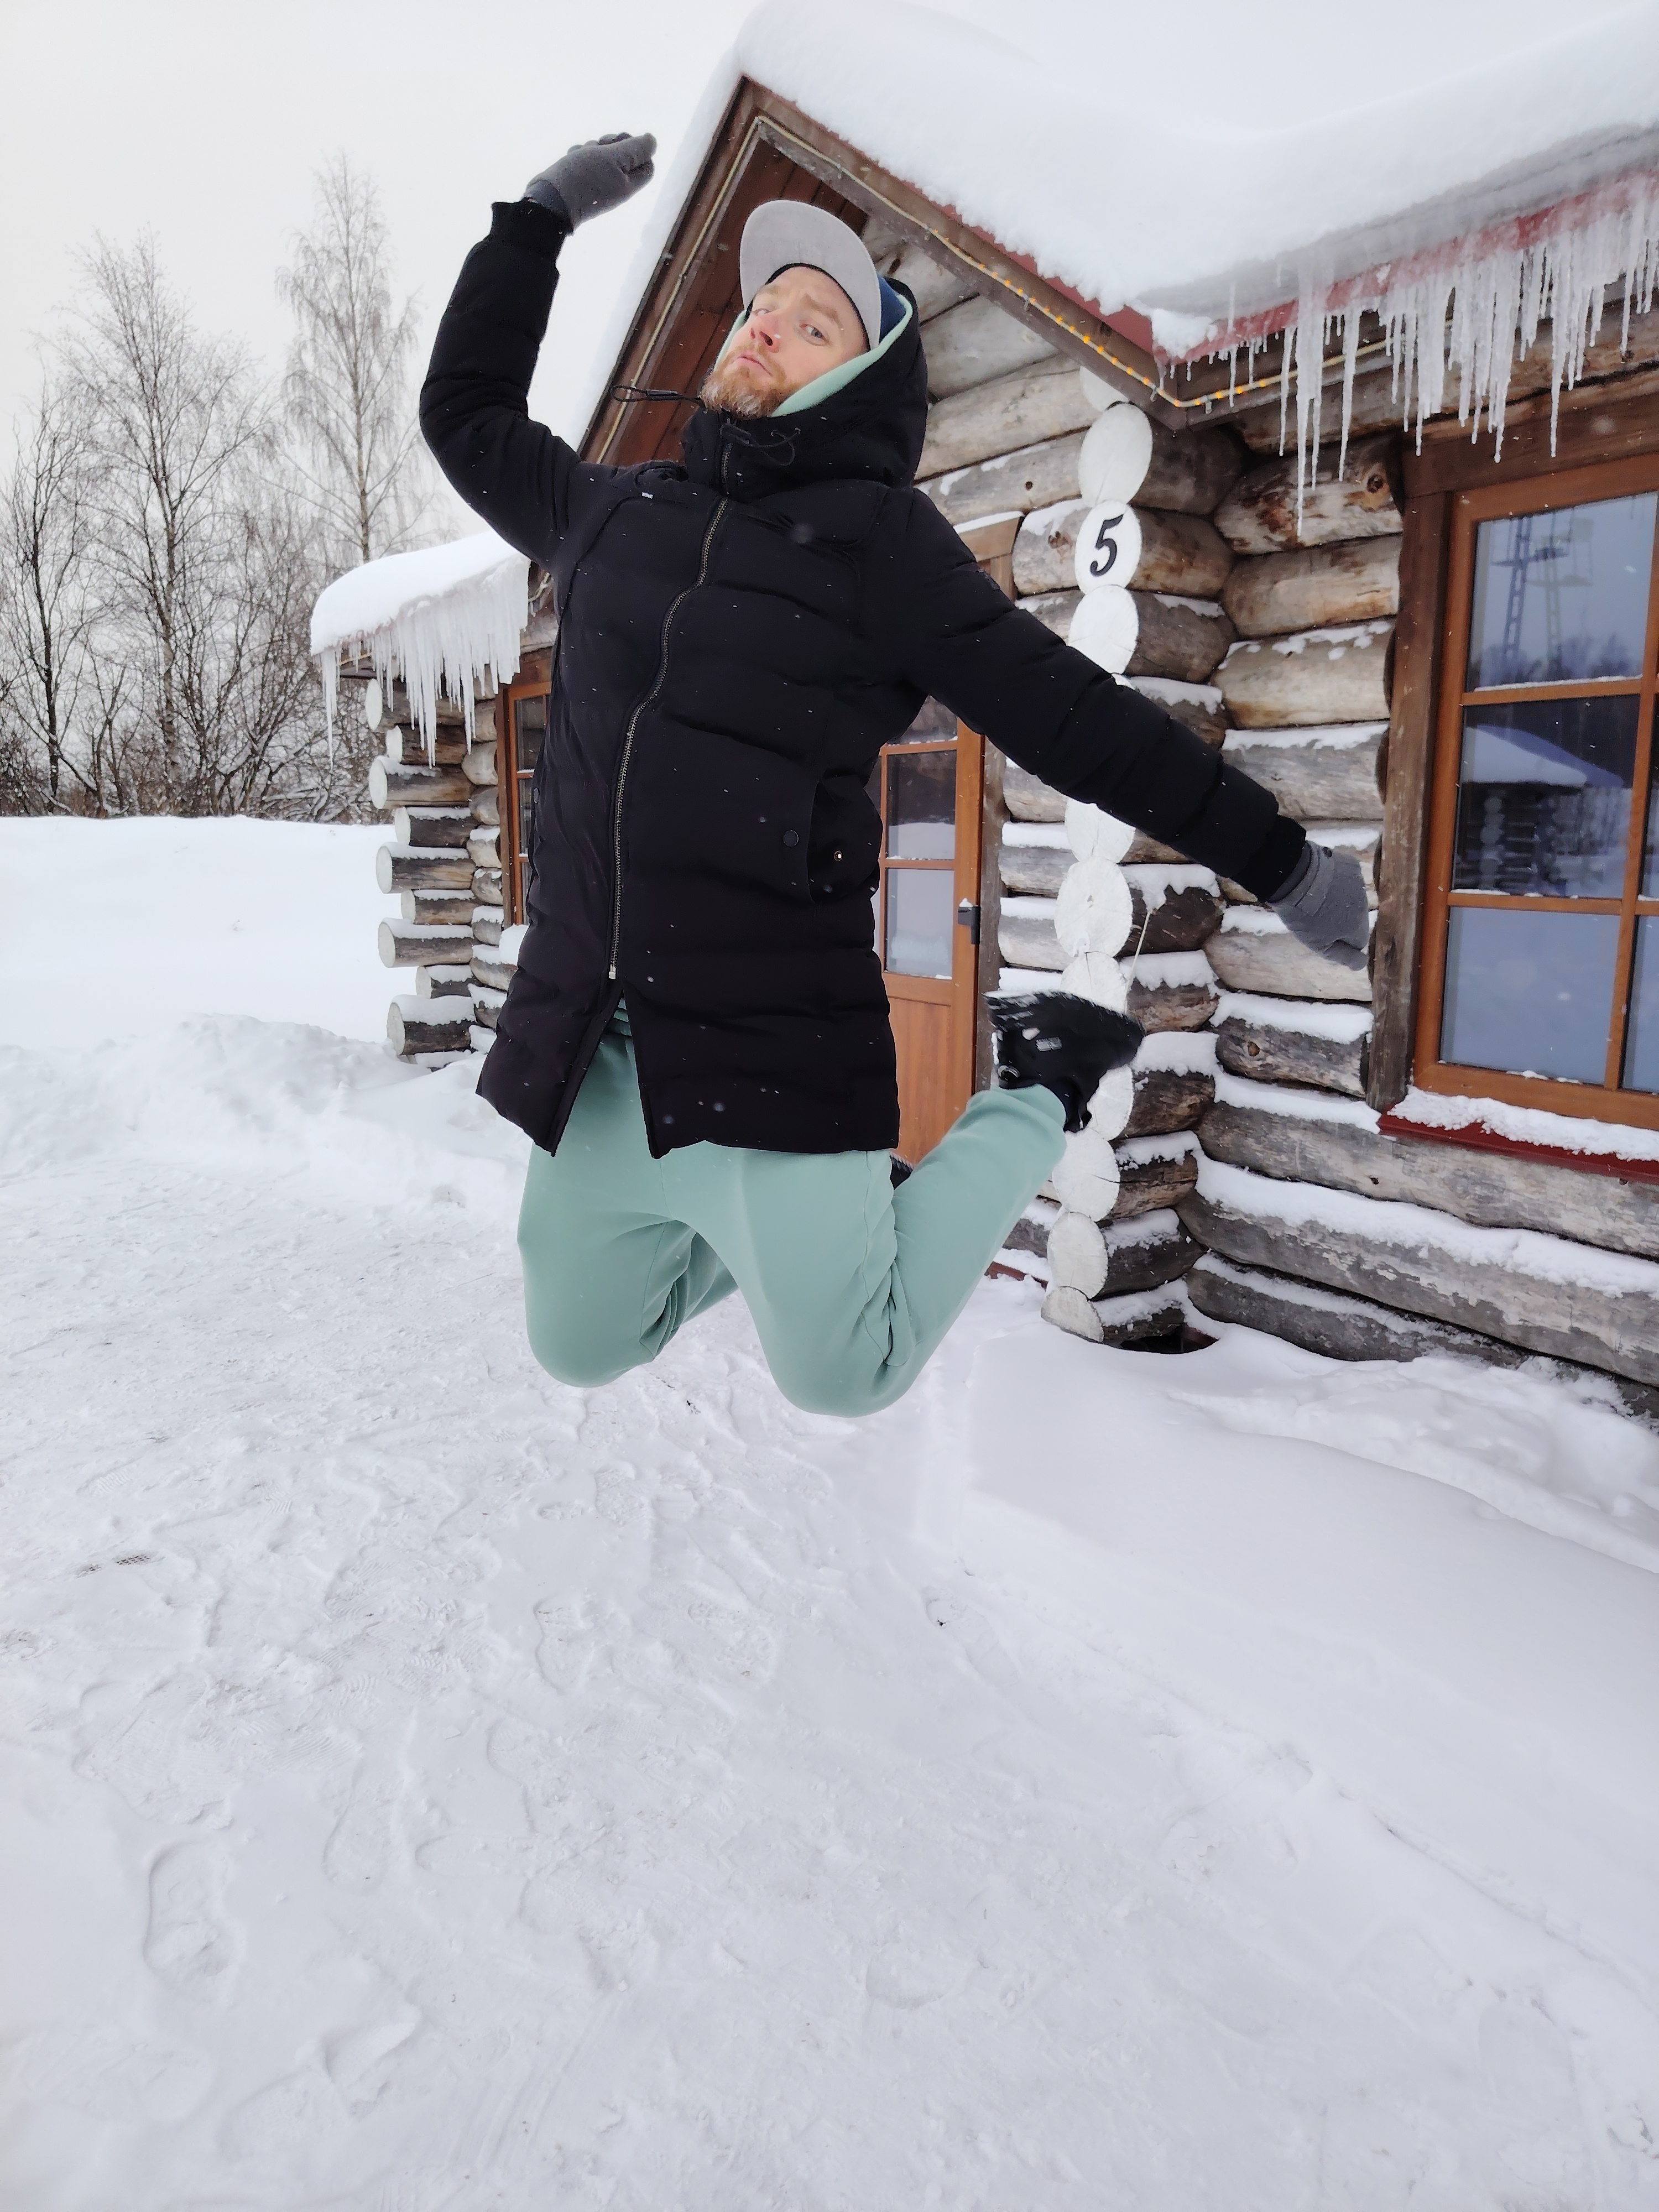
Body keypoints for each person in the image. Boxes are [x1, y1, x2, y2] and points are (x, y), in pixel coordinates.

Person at [420, 132, 1369, 1417]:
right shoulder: (610, 514)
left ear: (857, 382)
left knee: (845, 1369)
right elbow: (464, 413)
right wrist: (536, 221)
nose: (766, 323)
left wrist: (1284, 860)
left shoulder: (878, 551)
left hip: (767, 1046)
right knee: (582, 1343)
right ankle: (831, 1227)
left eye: (812, 322)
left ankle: (1038, 1085)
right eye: (761, 307)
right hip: (597, 1042)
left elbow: (1076, 717)